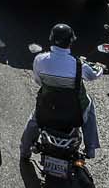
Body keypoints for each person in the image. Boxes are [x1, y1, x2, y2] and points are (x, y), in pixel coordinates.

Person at [19, 23, 101, 162]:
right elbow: (94, 75)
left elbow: (38, 81)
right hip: (73, 112)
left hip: (47, 108)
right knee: (89, 105)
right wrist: (101, 68)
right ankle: (90, 148)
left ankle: (24, 150)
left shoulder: (40, 60)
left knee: (34, 121)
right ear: (70, 41)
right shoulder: (78, 64)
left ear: (51, 39)